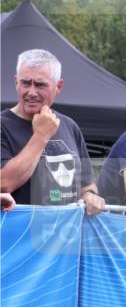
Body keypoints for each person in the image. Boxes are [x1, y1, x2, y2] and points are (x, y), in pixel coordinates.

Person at [1, 49, 104, 215]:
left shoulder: (70, 126)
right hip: (19, 237)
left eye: (40, 85)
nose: (31, 92)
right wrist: (41, 135)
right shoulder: (3, 126)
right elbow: (4, 182)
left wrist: (90, 195)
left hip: (63, 237)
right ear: (16, 82)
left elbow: (87, 183)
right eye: (25, 83)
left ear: (58, 86)